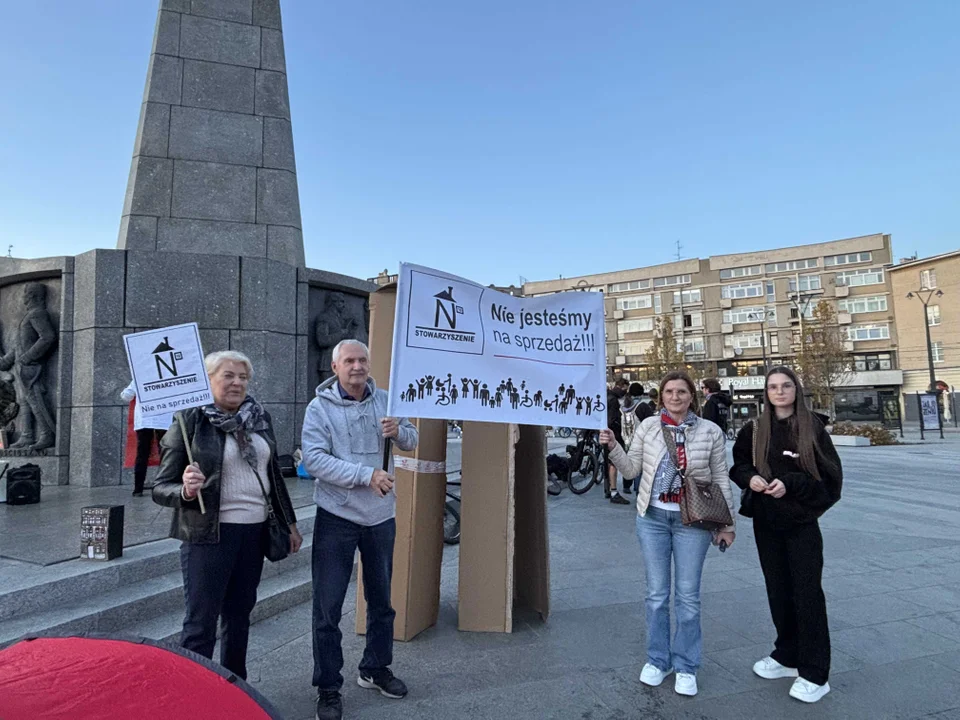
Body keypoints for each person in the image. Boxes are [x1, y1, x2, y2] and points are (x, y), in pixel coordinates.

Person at [152, 351, 302, 680]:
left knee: (239, 617)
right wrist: (186, 490)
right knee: (200, 623)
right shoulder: (189, 418)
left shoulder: (260, 417)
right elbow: (160, 486)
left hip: (254, 533)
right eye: (228, 375)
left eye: (243, 377)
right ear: (208, 380)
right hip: (208, 536)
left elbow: (273, 476)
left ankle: (235, 686)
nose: (237, 382)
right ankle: (194, 693)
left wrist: (288, 522)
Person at [302, 339, 419, 720]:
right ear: (334, 367)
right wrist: (364, 474)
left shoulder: (387, 400)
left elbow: (413, 440)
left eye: (362, 359)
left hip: (380, 517)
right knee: (327, 607)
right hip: (336, 517)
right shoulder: (319, 409)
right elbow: (316, 460)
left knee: (382, 602)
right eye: (349, 360)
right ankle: (328, 686)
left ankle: (375, 668)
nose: (357, 366)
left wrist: (399, 431)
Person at [600, 370, 735, 697]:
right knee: (657, 595)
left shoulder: (710, 431)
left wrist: (727, 524)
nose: (675, 397)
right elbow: (631, 470)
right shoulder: (648, 427)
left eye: (682, 392)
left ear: (692, 396)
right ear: (661, 397)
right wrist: (614, 446)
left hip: (695, 522)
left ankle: (686, 665)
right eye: (670, 392)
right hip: (653, 519)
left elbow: (720, 477)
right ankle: (658, 659)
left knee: (688, 597)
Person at [729, 366, 842, 704]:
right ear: (766, 393)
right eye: (773, 387)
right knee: (778, 591)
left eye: (786, 386)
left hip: (801, 525)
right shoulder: (755, 429)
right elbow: (738, 465)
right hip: (767, 524)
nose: (779, 392)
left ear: (796, 389)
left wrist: (790, 483)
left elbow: (831, 481)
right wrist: (749, 479)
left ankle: (815, 672)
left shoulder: (812, 429)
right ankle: (787, 655)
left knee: (807, 595)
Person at [121, 380, 174, 496]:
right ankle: (165, 484)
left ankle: (138, 489)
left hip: (145, 418)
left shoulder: (140, 375)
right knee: (166, 453)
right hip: (164, 418)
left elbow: (126, 396)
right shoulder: (167, 375)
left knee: (142, 454)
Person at [604, 377, 631, 505]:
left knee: (608, 462)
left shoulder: (608, 395)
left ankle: (609, 489)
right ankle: (614, 491)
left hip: (606, 431)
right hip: (613, 433)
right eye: (625, 389)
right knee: (614, 462)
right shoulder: (614, 400)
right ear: (621, 386)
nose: (626, 392)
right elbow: (613, 418)